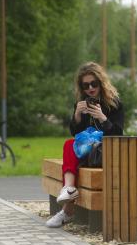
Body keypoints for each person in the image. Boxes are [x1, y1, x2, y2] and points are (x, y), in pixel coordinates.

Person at [46, 62, 124, 228]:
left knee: (71, 152)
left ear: (101, 83)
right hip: (87, 151)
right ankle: (68, 189)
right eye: (86, 85)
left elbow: (118, 134)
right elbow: (75, 133)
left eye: (94, 84)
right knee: (70, 145)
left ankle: (67, 210)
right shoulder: (81, 103)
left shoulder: (114, 103)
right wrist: (77, 115)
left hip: (105, 152)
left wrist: (103, 118)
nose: (90, 88)